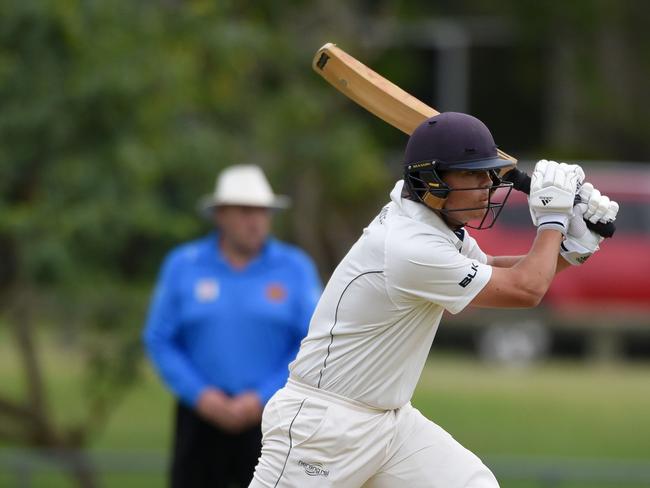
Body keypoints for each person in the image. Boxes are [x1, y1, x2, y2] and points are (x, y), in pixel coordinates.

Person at [248, 112, 619, 488]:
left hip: (390, 424)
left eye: (488, 173)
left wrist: (571, 249)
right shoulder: (408, 247)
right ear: (431, 179)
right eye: (472, 174)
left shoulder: (433, 226)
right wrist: (553, 220)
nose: (487, 186)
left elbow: (500, 271)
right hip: (324, 424)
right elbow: (526, 290)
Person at [143, 164, 322, 488]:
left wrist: (264, 395)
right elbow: (160, 338)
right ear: (220, 215)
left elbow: (313, 341)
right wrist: (201, 394)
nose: (255, 221)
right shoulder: (184, 265)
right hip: (199, 416)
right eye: (245, 211)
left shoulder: (294, 268)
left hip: (273, 414)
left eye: (262, 212)